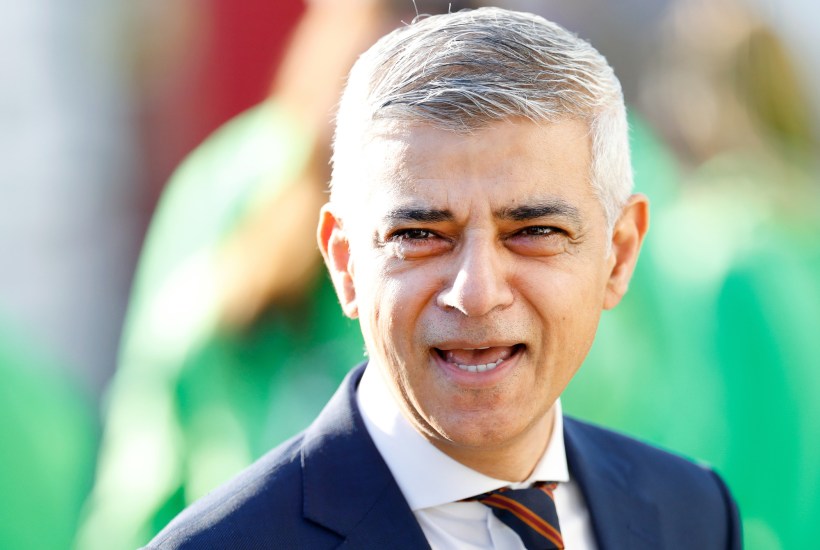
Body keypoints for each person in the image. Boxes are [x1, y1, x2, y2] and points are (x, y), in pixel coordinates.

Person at [145, 8, 741, 549]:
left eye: (534, 231)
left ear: (619, 252)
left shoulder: (694, 515)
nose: (477, 293)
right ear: (345, 263)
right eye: (419, 235)